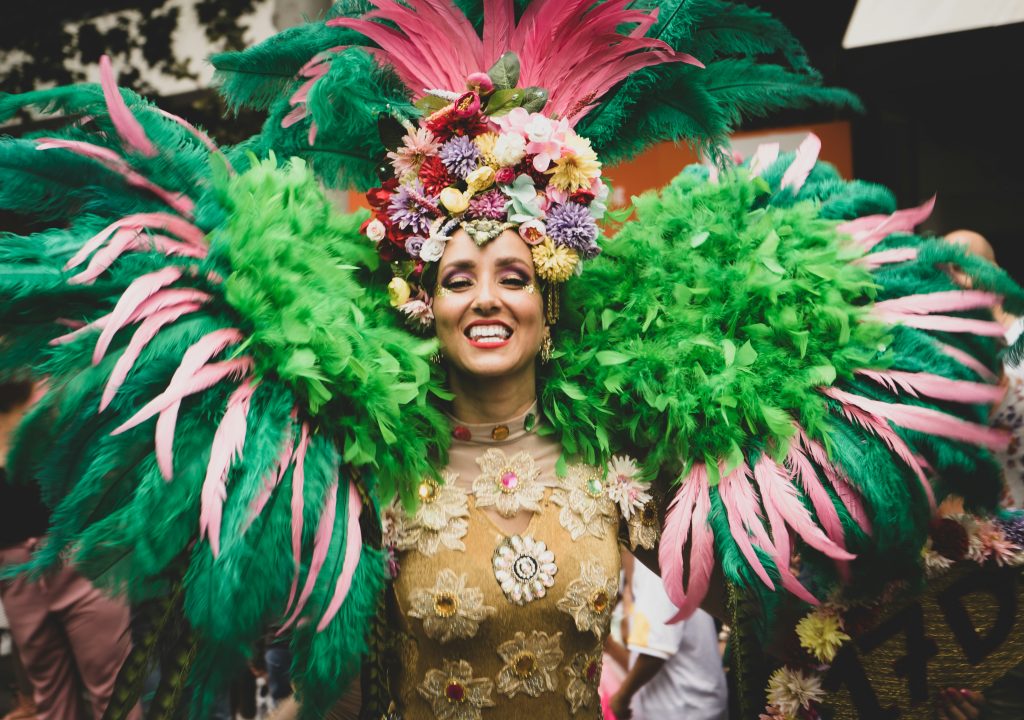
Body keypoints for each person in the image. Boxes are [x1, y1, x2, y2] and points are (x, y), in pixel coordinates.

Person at [2, 1, 1022, 717]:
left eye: (513, 274)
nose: (485, 296)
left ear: (547, 299)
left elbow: (771, 597)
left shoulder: (628, 458)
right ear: (423, 299)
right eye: (456, 277)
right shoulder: (368, 470)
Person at [0, 378, 139, 720]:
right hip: (13, 568)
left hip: (76, 554)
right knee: (51, 702)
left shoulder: (58, 386)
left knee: (112, 696)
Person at [608, 558, 727, 720]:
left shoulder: (654, 571)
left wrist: (621, 698)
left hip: (686, 709)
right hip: (680, 705)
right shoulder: (638, 570)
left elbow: (654, 653)